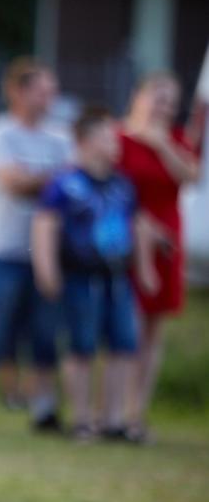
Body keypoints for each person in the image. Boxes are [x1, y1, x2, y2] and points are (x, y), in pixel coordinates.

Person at [0, 58, 72, 431]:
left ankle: (44, 409)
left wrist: (36, 179)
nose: (49, 98)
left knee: (44, 335)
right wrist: (54, 181)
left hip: (48, 254)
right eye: (41, 91)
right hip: (4, 250)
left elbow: (69, 183)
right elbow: (11, 182)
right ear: (17, 92)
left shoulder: (60, 138)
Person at [32, 106, 153, 441]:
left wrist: (144, 268)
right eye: (105, 138)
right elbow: (45, 225)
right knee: (81, 347)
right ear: (84, 141)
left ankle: (114, 420)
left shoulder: (123, 184)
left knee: (122, 346)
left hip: (117, 278)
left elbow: (137, 224)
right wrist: (46, 270)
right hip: (80, 278)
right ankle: (82, 419)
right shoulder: (65, 184)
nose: (114, 145)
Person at [118, 73, 200, 442]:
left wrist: (162, 145)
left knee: (153, 331)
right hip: (130, 236)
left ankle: (138, 413)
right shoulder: (120, 137)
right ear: (138, 97)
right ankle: (115, 410)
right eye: (157, 98)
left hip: (169, 239)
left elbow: (190, 176)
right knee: (128, 327)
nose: (163, 107)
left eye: (170, 101)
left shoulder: (177, 139)